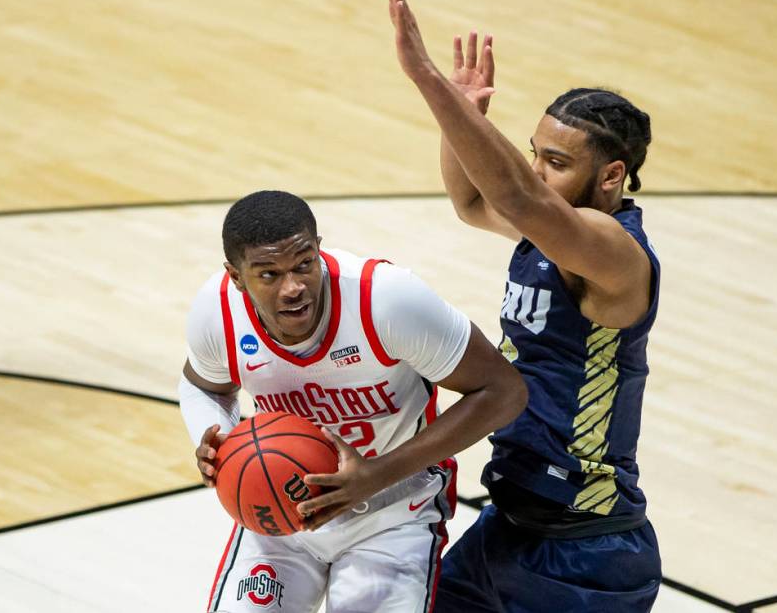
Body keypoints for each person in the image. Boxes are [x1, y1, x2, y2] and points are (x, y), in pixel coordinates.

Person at [379, 0, 662, 611]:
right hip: (508, 528)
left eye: (556, 163)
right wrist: (466, 118)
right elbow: (473, 198)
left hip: (585, 550)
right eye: (535, 153)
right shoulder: (551, 233)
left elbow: (515, 195)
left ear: (613, 174)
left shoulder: (614, 254)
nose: (538, 171)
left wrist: (428, 82)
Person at [179, 189, 527, 613]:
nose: (293, 287)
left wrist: (374, 475)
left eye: (304, 265)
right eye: (269, 274)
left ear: (319, 251)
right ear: (236, 276)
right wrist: (216, 443)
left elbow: (503, 391)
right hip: (282, 509)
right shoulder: (216, 312)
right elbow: (203, 386)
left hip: (393, 510)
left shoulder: (387, 300)